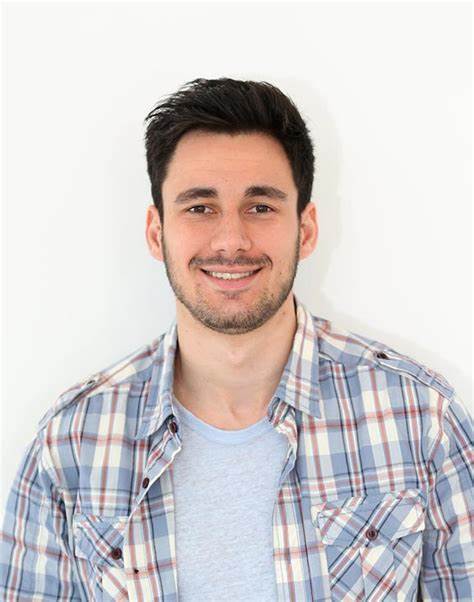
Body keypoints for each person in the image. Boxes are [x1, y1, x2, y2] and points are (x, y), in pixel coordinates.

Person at [1, 77, 472, 602]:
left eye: (261, 206)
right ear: (157, 232)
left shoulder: (420, 417)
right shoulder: (71, 442)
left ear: (306, 229)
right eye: (199, 207)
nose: (231, 241)